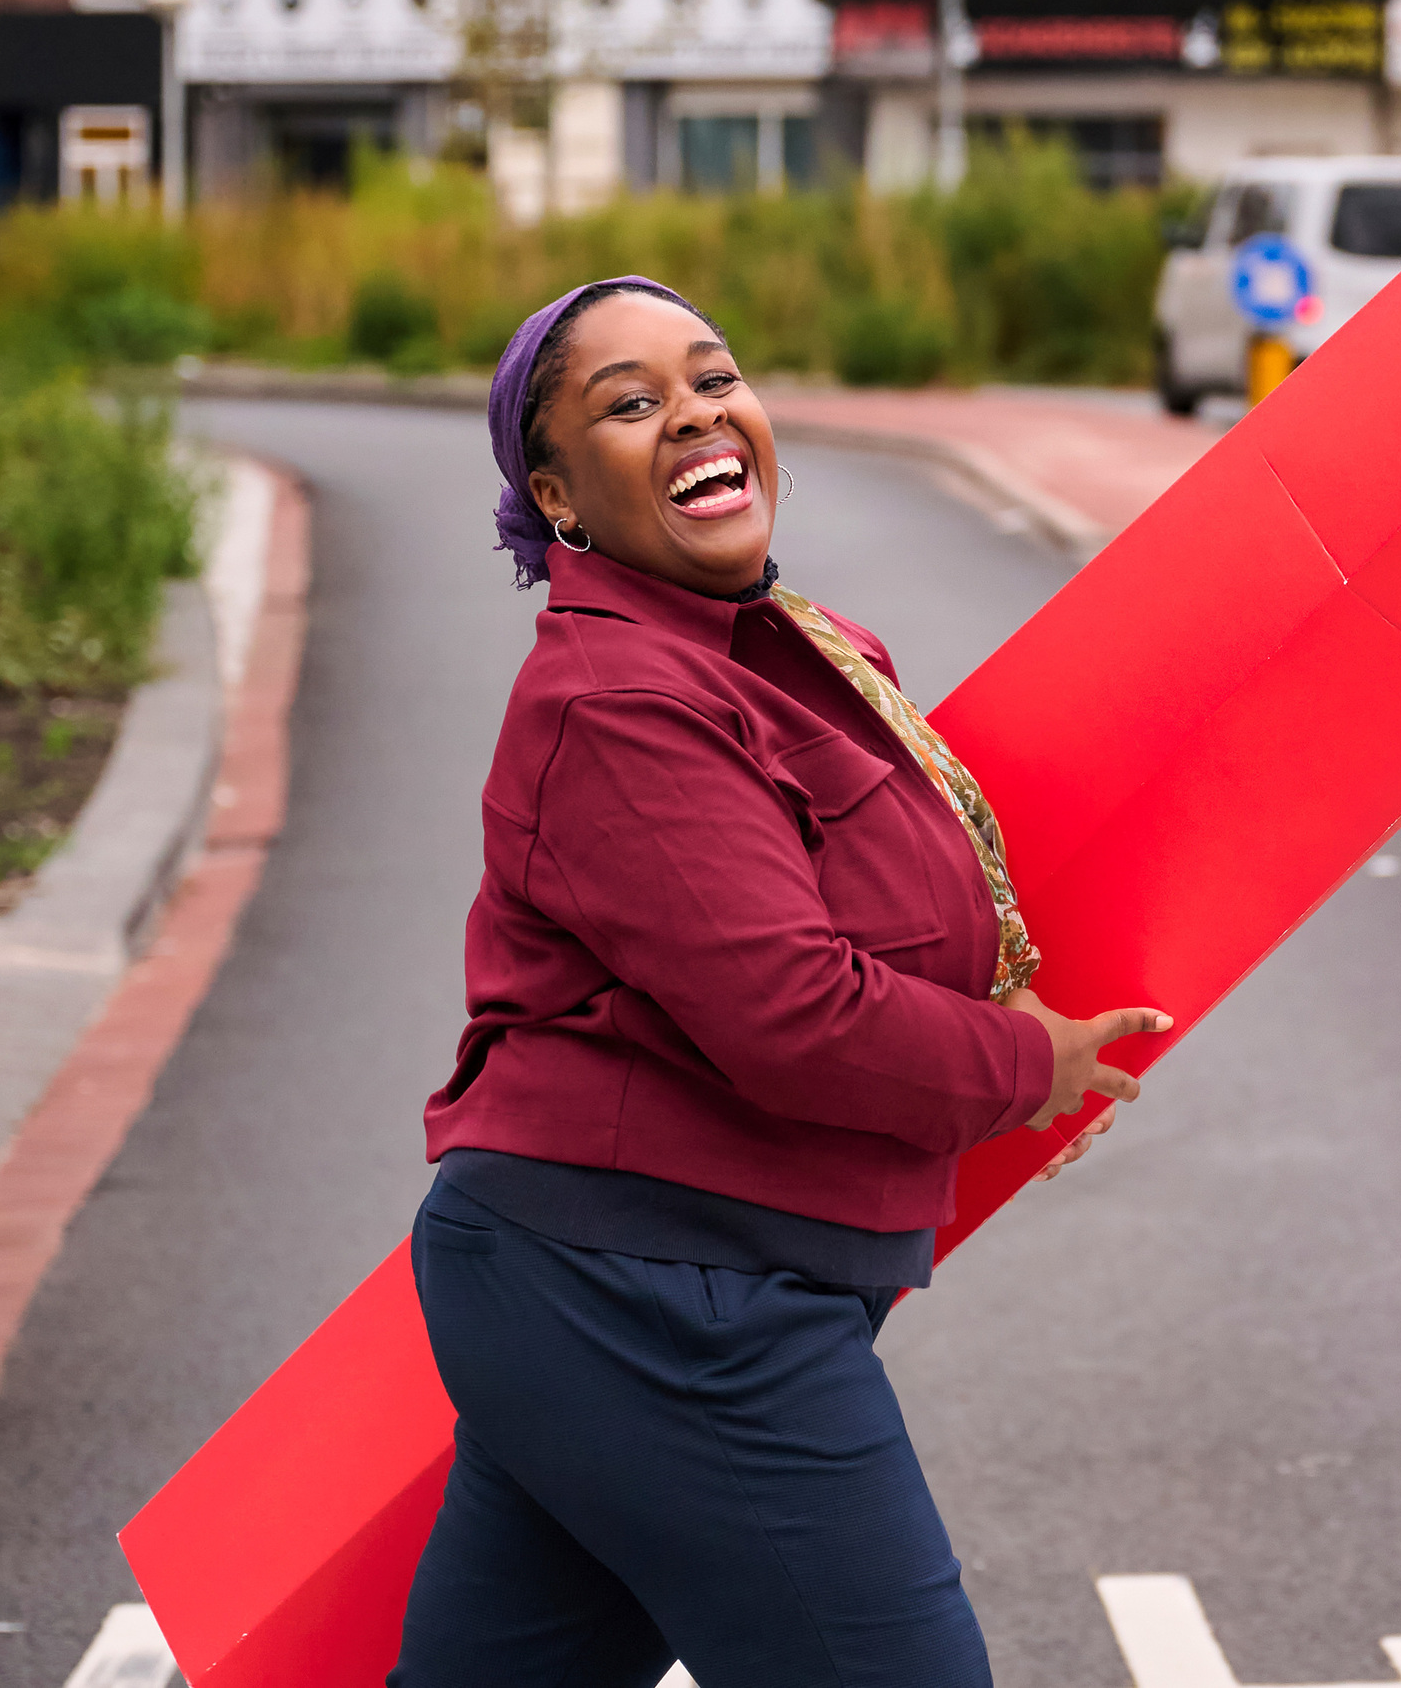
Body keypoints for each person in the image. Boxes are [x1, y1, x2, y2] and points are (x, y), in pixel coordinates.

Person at [389, 276, 1168, 1688]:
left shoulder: (799, 654)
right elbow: (794, 1016)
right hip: (654, 1293)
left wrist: (1016, 1043)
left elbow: (900, 928)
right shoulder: (620, 702)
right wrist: (1021, 1068)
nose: (692, 412)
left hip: (653, 1279)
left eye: (712, 376)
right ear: (558, 497)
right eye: (629, 405)